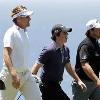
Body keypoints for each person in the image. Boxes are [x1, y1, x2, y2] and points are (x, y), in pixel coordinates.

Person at [32, 24, 86, 100]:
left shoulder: (66, 49)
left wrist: (78, 80)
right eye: (64, 33)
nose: (67, 35)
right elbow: (36, 67)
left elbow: (68, 67)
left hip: (56, 85)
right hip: (47, 85)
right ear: (56, 34)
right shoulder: (49, 50)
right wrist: (32, 83)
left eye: (67, 33)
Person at [0, 5, 42, 100]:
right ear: (18, 19)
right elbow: (6, 54)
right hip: (9, 76)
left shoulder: (24, 32)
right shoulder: (11, 32)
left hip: (26, 74)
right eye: (27, 17)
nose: (30, 18)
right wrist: (13, 73)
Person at [72, 19, 100, 100]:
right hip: (83, 83)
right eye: (98, 29)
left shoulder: (96, 43)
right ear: (91, 30)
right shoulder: (86, 45)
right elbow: (85, 65)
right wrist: (97, 80)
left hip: (95, 83)